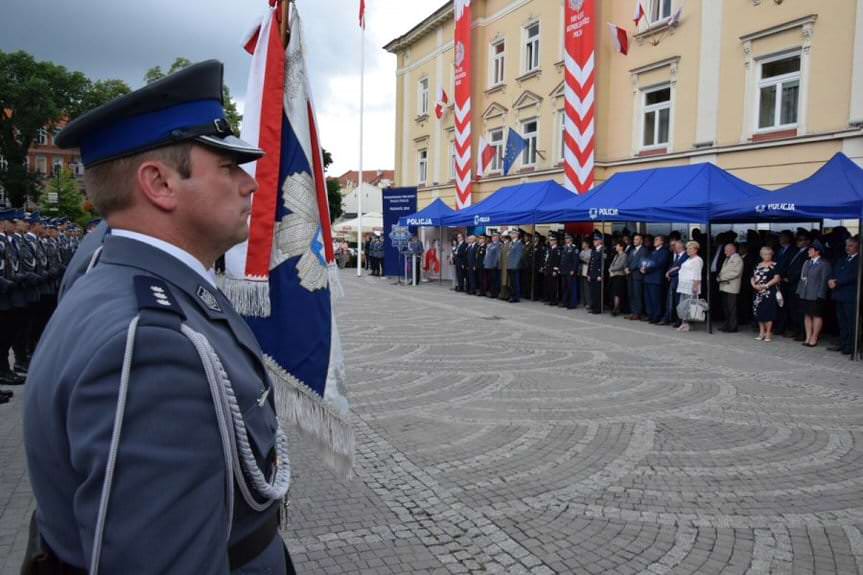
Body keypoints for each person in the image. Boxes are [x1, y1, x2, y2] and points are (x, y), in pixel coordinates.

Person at [22, 61, 296, 574]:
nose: (249, 185)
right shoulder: (153, 341)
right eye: (228, 167)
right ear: (160, 184)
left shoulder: (119, 280)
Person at [797, 240, 832, 347]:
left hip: (816, 294)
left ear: (817, 252)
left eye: (811, 250)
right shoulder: (807, 262)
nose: (808, 251)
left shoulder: (824, 264)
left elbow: (824, 280)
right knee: (807, 315)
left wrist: (821, 295)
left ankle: (814, 337)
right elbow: (802, 279)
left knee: (816, 315)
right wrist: (799, 292)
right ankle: (808, 336)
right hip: (805, 293)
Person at [828, 236, 859, 355]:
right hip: (839, 294)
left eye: (850, 246)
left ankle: (851, 346)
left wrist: (837, 282)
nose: (848, 248)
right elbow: (834, 271)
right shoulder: (842, 259)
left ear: (857, 246)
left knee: (850, 322)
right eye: (847, 245)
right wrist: (830, 279)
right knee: (842, 321)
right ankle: (843, 343)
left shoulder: (859, 260)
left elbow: (853, 276)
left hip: (850, 296)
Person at [752, 246, 781, 342]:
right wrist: (753, 285)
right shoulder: (758, 265)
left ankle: (768, 332)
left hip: (769, 292)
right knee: (759, 312)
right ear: (761, 255)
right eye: (764, 254)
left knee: (768, 312)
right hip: (758, 292)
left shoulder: (775, 265)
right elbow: (753, 277)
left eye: (768, 254)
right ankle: (761, 332)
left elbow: (777, 278)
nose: (766, 256)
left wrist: (766, 286)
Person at [642, 235, 671, 324]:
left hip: (656, 278)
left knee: (656, 299)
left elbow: (658, 264)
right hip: (648, 278)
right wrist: (642, 267)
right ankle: (650, 314)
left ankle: (657, 315)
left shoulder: (664, 252)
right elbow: (646, 261)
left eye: (657, 239)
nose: (655, 241)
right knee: (648, 298)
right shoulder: (653, 251)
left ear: (662, 242)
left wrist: (646, 269)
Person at [676, 241, 703, 332]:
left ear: (696, 250)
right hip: (683, 285)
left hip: (691, 286)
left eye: (691, 248)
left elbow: (697, 274)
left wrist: (695, 286)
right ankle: (684, 323)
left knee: (690, 306)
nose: (688, 250)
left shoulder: (697, 260)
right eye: (687, 248)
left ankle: (689, 324)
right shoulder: (688, 259)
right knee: (683, 305)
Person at [717, 242, 744, 332]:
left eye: (726, 250)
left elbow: (736, 273)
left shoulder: (737, 259)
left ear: (733, 250)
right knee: (726, 307)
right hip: (725, 286)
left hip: (731, 287)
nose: (725, 252)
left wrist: (721, 277)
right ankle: (727, 324)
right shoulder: (728, 258)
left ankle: (733, 326)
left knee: (731, 308)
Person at [662, 240, 688, 327]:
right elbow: (673, 267)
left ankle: (679, 320)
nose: (673, 248)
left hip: (679, 281)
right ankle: (675, 318)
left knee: (678, 301)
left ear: (680, 247)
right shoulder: (677, 256)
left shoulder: (685, 256)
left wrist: (670, 273)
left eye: (675, 246)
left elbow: (679, 268)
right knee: (674, 301)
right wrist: (669, 273)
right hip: (674, 281)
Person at [626, 233, 647, 320]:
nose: (635, 241)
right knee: (631, 294)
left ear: (641, 241)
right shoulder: (632, 250)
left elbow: (640, 262)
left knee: (637, 294)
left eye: (637, 239)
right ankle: (633, 311)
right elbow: (628, 260)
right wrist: (626, 267)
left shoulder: (644, 250)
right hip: (630, 275)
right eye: (634, 239)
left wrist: (630, 268)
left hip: (637, 275)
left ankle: (638, 313)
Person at [608, 240, 628, 316]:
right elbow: (612, 264)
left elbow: (620, 266)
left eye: (617, 245)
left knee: (617, 293)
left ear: (621, 247)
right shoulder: (616, 255)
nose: (616, 247)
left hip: (620, 276)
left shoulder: (624, 255)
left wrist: (611, 269)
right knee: (613, 292)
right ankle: (614, 306)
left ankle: (616, 308)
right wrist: (610, 269)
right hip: (613, 276)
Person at [560, 235, 578, 309]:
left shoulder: (574, 248)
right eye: (565, 238)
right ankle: (565, 302)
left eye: (567, 238)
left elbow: (575, 260)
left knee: (571, 287)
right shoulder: (564, 247)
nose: (566, 239)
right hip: (564, 270)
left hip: (570, 270)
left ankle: (572, 304)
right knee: (564, 287)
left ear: (571, 239)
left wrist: (573, 270)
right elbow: (562, 259)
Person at [544, 235, 561, 305]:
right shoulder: (550, 249)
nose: (550, 242)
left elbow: (557, 261)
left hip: (553, 270)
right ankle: (550, 299)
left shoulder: (557, 249)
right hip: (549, 269)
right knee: (549, 285)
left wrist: (555, 270)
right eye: (550, 240)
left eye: (552, 240)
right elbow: (547, 260)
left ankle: (554, 300)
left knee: (554, 286)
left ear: (555, 241)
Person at [507, 230, 524, 303]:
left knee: (515, 282)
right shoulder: (511, 243)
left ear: (516, 235)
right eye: (511, 233)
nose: (511, 234)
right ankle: (512, 295)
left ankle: (516, 297)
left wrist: (516, 265)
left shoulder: (518, 243)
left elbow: (519, 256)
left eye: (512, 233)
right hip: (510, 265)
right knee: (512, 282)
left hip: (515, 266)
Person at [483, 233, 501, 298]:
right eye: (493, 236)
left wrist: (495, 264)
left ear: (498, 237)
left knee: (495, 280)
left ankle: (494, 293)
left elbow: (498, 256)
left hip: (494, 265)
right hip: (488, 265)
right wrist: (484, 263)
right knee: (490, 280)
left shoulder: (498, 244)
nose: (493, 237)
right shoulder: (491, 245)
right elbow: (487, 255)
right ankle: (491, 292)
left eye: (495, 236)